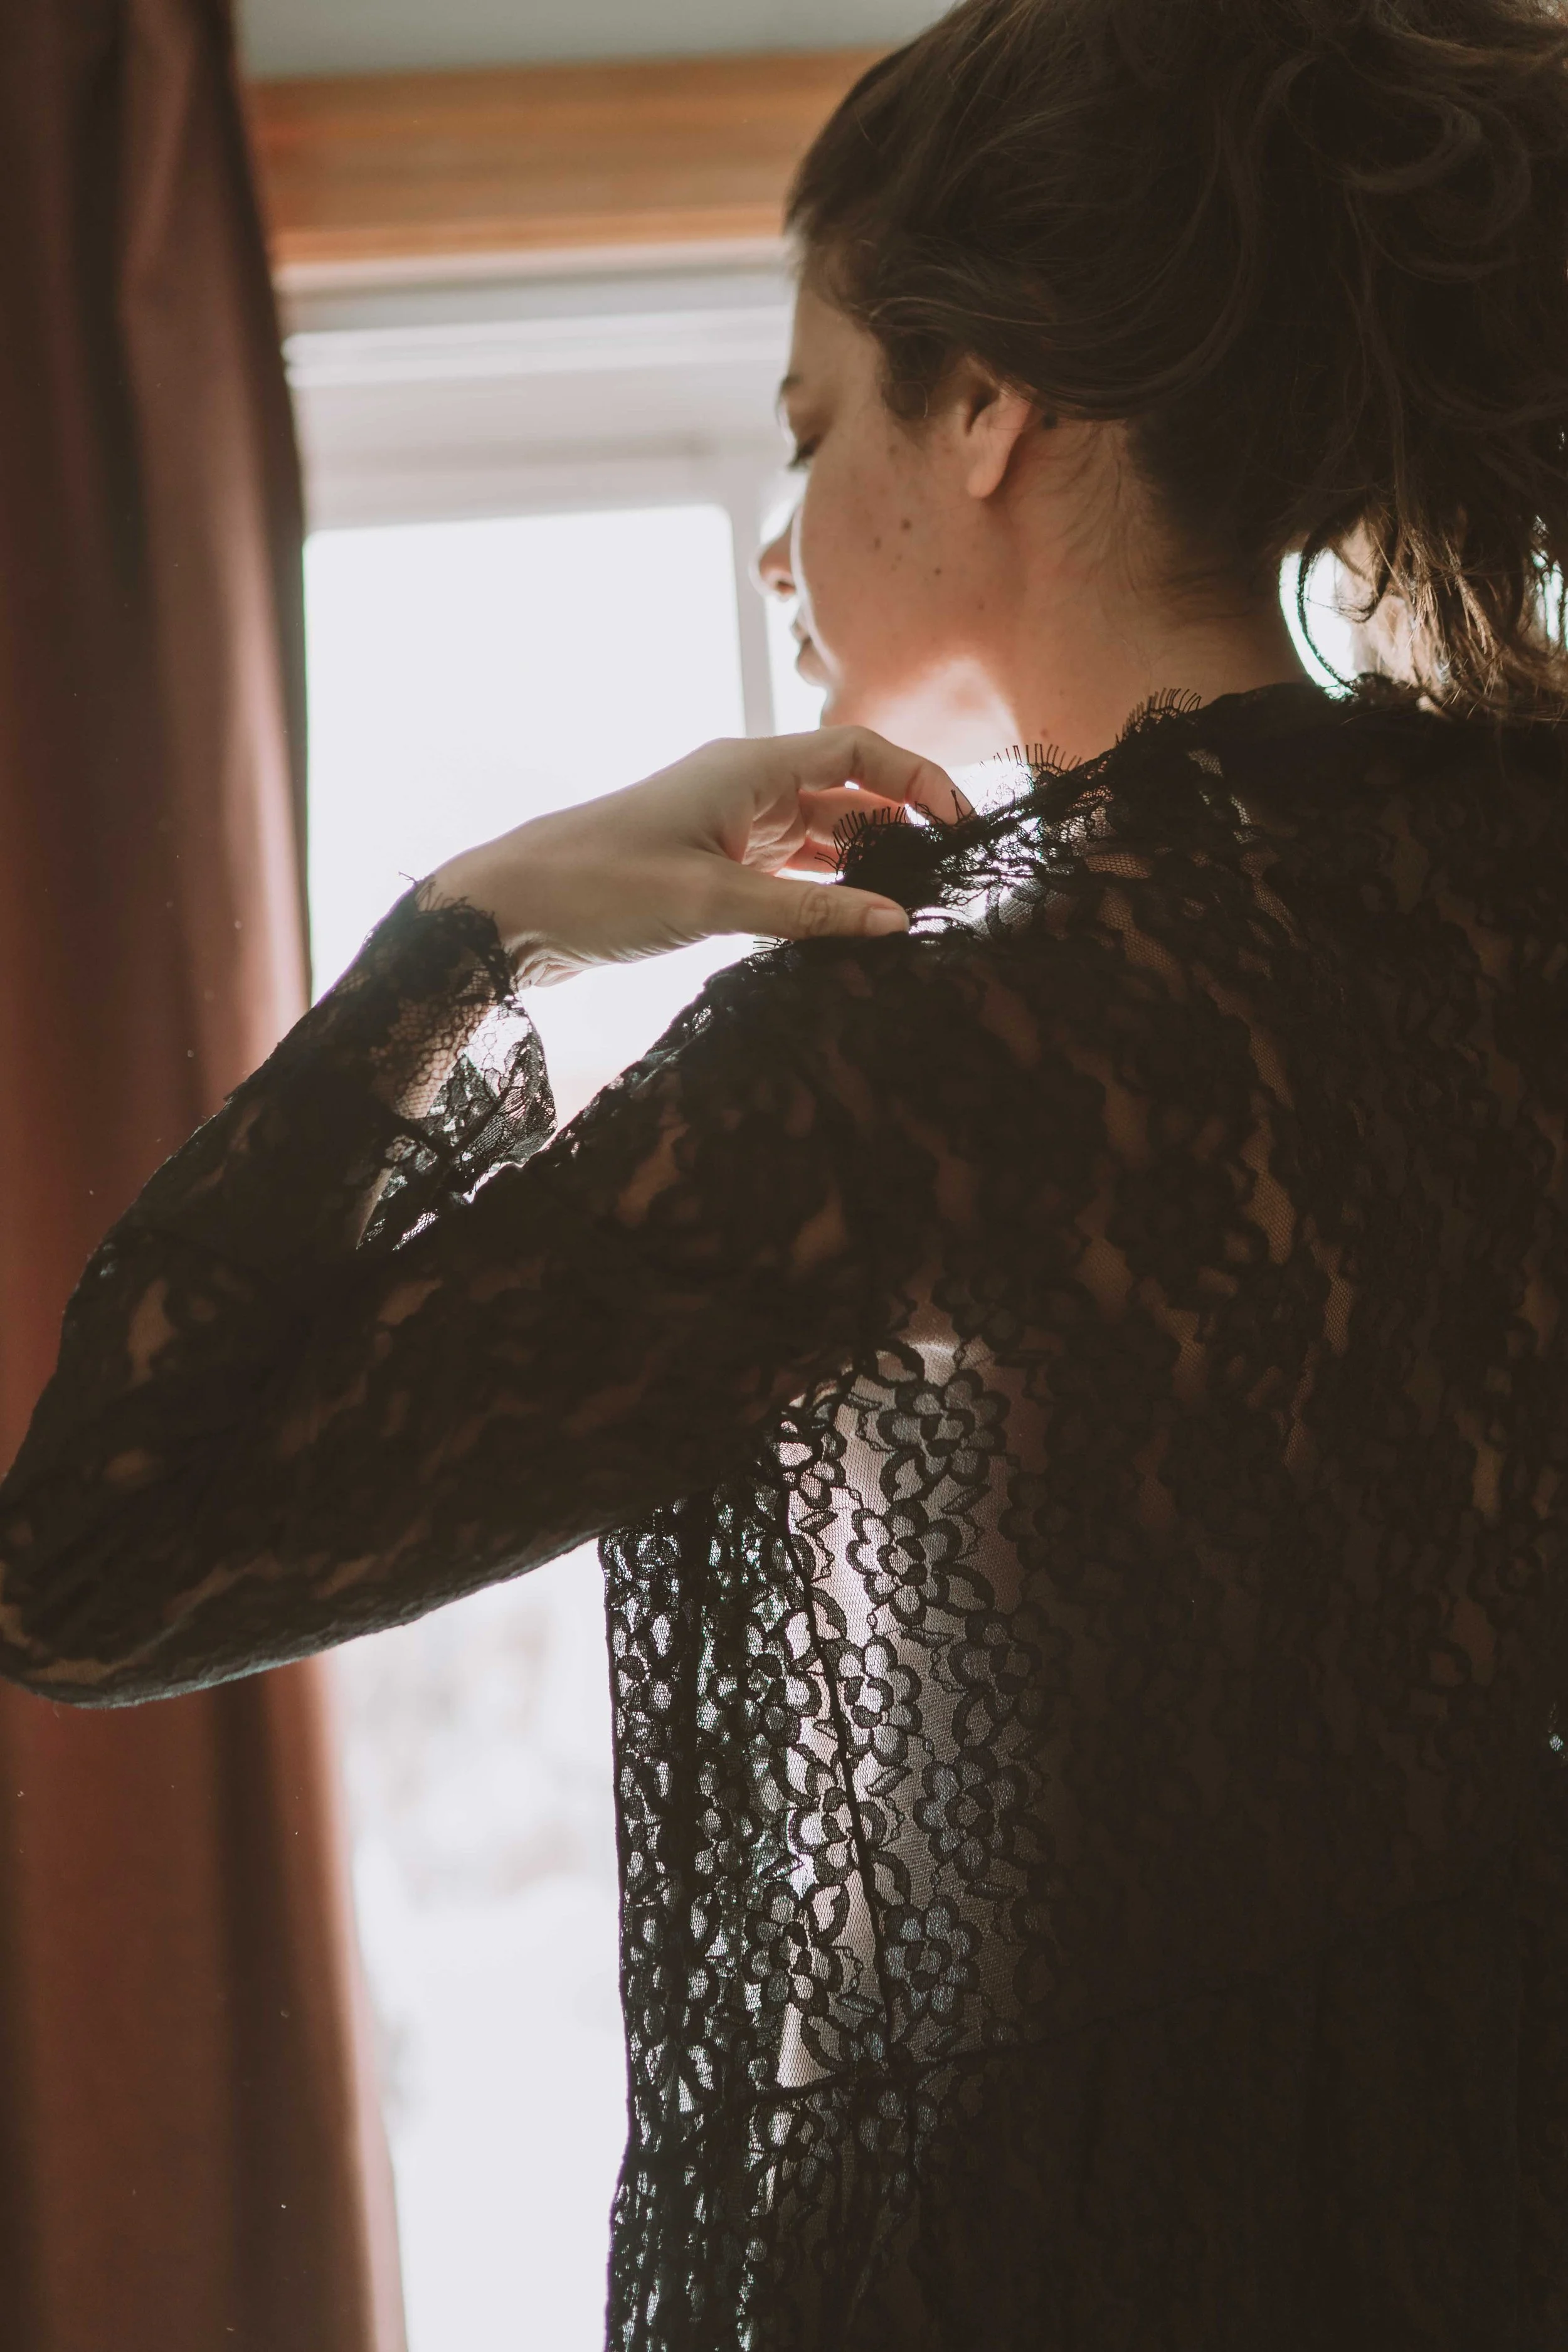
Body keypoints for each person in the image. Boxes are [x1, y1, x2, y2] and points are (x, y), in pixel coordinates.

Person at [5, 0, 1568, 2338]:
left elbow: (97, 1562)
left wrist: (485, 922)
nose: (779, 534)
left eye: (820, 421)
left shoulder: (918, 1052)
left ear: (986, 412)